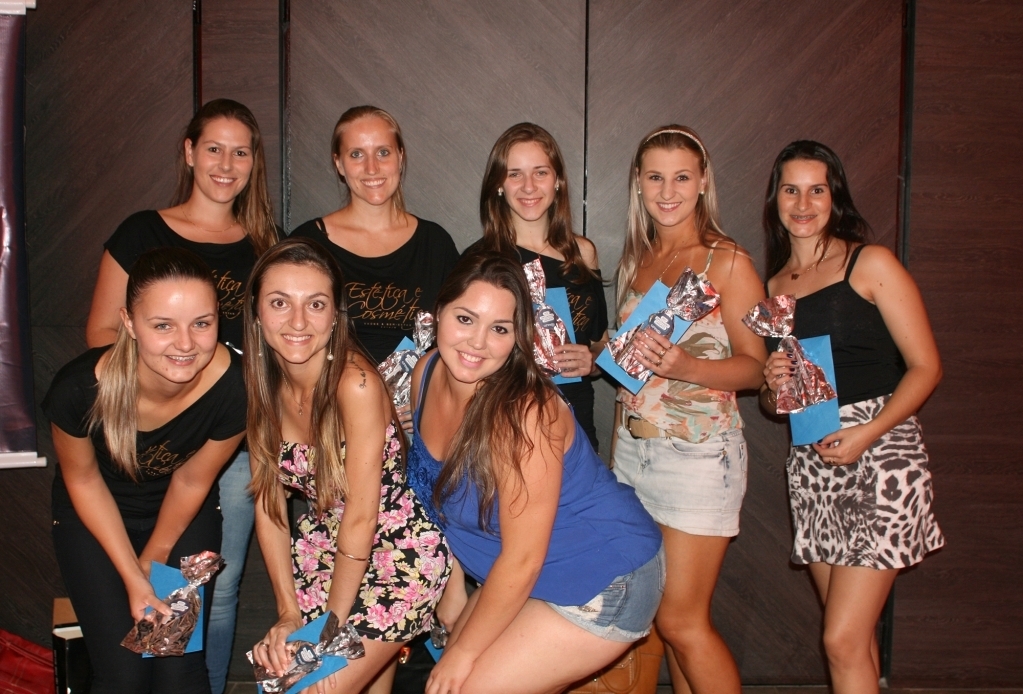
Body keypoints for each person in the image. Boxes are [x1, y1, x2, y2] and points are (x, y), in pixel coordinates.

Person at [84, 98, 278, 694]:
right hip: (148, 443)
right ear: (190, 152)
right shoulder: (141, 232)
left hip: (230, 445)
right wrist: (178, 382)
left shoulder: (266, 244)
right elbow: (100, 335)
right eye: (213, 148)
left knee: (213, 593)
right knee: (139, 583)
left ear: (253, 162)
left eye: (240, 152)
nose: (226, 164)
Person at [406, 252, 665, 694]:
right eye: (465, 319)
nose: (477, 343)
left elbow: (523, 559)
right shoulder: (426, 373)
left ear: (519, 337)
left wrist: (464, 653)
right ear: (439, 313)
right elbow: (438, 492)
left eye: (500, 329)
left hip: (601, 574)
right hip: (519, 573)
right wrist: (452, 587)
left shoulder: (526, 413)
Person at [760, 140, 944, 694]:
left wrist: (868, 432)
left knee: (840, 639)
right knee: (853, 642)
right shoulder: (774, 287)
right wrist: (772, 385)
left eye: (817, 190)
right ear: (775, 200)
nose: (803, 203)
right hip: (814, 465)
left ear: (834, 195)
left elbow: (926, 367)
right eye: (791, 190)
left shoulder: (871, 262)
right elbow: (776, 404)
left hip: (881, 455)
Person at [245, 238, 450, 692]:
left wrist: (328, 627)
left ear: (335, 315)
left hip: (397, 553)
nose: (298, 321)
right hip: (322, 551)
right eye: (279, 302)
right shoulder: (262, 384)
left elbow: (361, 516)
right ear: (257, 312)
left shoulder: (355, 384)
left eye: (315, 304)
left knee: (309, 688)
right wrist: (287, 611)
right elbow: (269, 507)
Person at [45, 248, 247, 694]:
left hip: (182, 517)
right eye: (162, 326)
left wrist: (151, 564)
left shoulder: (236, 387)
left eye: (202, 323)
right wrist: (132, 576)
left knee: (177, 668)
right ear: (129, 323)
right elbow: (83, 480)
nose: (185, 344)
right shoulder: (79, 389)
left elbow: (192, 480)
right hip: (94, 517)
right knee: (124, 675)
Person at [611, 126, 766, 694]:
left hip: (697, 456)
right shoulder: (640, 257)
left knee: (681, 620)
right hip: (633, 453)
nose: (667, 191)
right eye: (655, 177)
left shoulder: (728, 261)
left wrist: (688, 366)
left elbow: (755, 367)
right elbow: (633, 365)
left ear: (702, 183)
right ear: (639, 183)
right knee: (661, 618)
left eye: (681, 177)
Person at [290, 104, 459, 381]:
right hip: (332, 399)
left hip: (417, 402)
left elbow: (458, 336)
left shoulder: (435, 244)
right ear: (339, 164)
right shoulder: (308, 245)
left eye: (383, 152)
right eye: (357, 154)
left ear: (400, 157)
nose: (372, 168)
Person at [466, 122, 608, 450]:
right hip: (510, 427)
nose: (528, 186)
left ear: (557, 180)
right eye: (515, 174)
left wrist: (593, 361)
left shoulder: (583, 253)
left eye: (540, 172)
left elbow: (601, 342)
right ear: (499, 184)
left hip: (577, 424)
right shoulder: (480, 261)